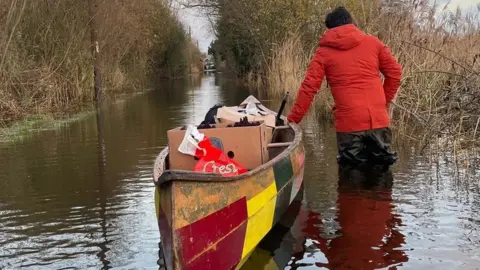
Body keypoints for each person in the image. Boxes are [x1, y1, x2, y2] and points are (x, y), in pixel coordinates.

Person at [286, 6, 402, 166]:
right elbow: (395, 73)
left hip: (349, 125)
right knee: (381, 178)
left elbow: (309, 87)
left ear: (330, 28)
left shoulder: (323, 53)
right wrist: (382, 104)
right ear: (351, 22)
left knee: (351, 180)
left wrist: (293, 119)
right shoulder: (373, 43)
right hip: (378, 121)